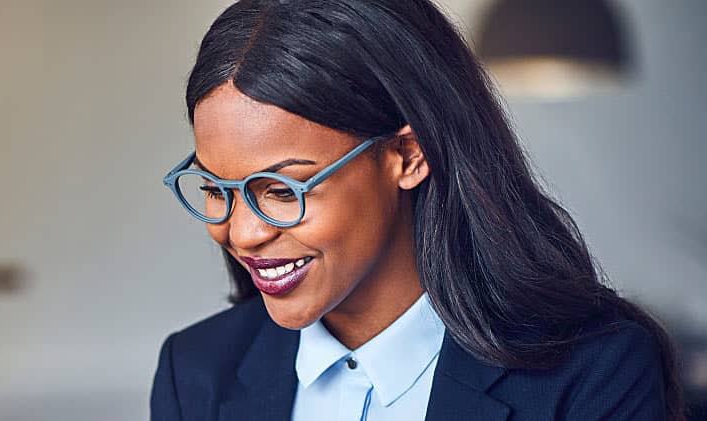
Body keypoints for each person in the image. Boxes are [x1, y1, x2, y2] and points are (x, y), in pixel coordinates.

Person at [151, 1, 685, 420]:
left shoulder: (593, 372)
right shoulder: (196, 371)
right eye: (217, 189)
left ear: (407, 154)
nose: (242, 234)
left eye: (283, 191)